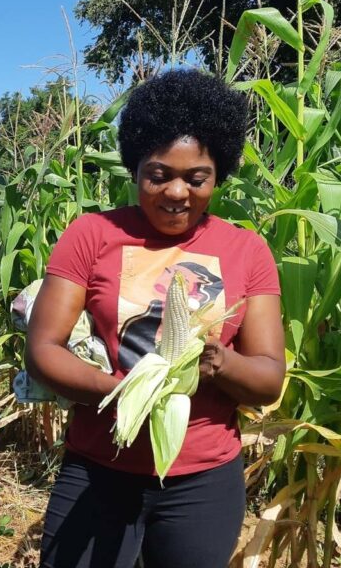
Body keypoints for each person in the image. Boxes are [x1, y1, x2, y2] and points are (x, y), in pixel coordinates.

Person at [26, 69, 286, 568]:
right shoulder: (91, 235)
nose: (176, 193)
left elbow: (269, 377)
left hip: (204, 480)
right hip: (100, 468)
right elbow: (43, 351)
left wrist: (219, 363)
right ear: (135, 167)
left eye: (197, 178)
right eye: (158, 174)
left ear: (219, 175)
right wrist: (123, 395)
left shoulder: (247, 251)